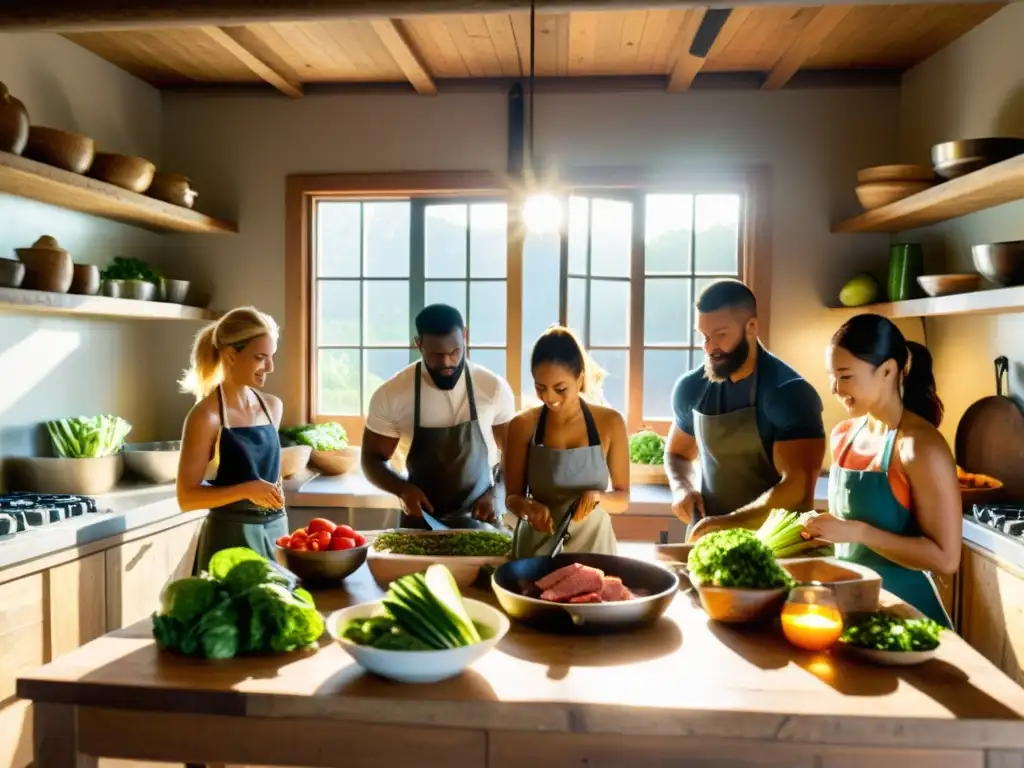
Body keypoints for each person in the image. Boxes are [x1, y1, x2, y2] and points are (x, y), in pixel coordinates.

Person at [802, 314, 960, 626]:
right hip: (851, 610)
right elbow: (850, 542)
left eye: (845, 376)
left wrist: (858, 532)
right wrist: (822, 531)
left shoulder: (921, 448)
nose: (835, 388)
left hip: (908, 618)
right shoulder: (844, 436)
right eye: (832, 376)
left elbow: (946, 558)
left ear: (888, 370)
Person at [665, 280, 826, 542]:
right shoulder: (692, 388)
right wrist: (682, 488)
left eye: (720, 335)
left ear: (751, 327)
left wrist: (725, 524)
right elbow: (677, 453)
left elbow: (797, 488)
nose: (709, 347)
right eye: (704, 336)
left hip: (777, 547)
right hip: (710, 541)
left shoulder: (789, 393)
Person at [361, 304, 515, 530]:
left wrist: (498, 493)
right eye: (436, 355)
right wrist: (402, 489)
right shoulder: (392, 394)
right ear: (419, 344)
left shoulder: (492, 388)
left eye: (454, 352)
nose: (447, 363)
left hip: (483, 523)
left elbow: (515, 453)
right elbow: (371, 460)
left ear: (465, 336)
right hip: (420, 525)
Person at [503, 325, 630, 557]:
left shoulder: (610, 422)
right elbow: (512, 498)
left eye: (560, 388)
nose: (549, 397)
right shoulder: (522, 426)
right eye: (540, 387)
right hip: (537, 549)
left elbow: (622, 499)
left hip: (595, 550)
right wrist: (528, 508)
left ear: (580, 379)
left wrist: (598, 498)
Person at [176, 307, 286, 573]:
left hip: (277, 531)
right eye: (260, 357)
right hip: (230, 539)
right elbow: (186, 497)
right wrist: (248, 489)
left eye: (271, 357)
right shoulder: (206, 416)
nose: (269, 367)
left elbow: (266, 472)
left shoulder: (272, 407)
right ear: (231, 355)